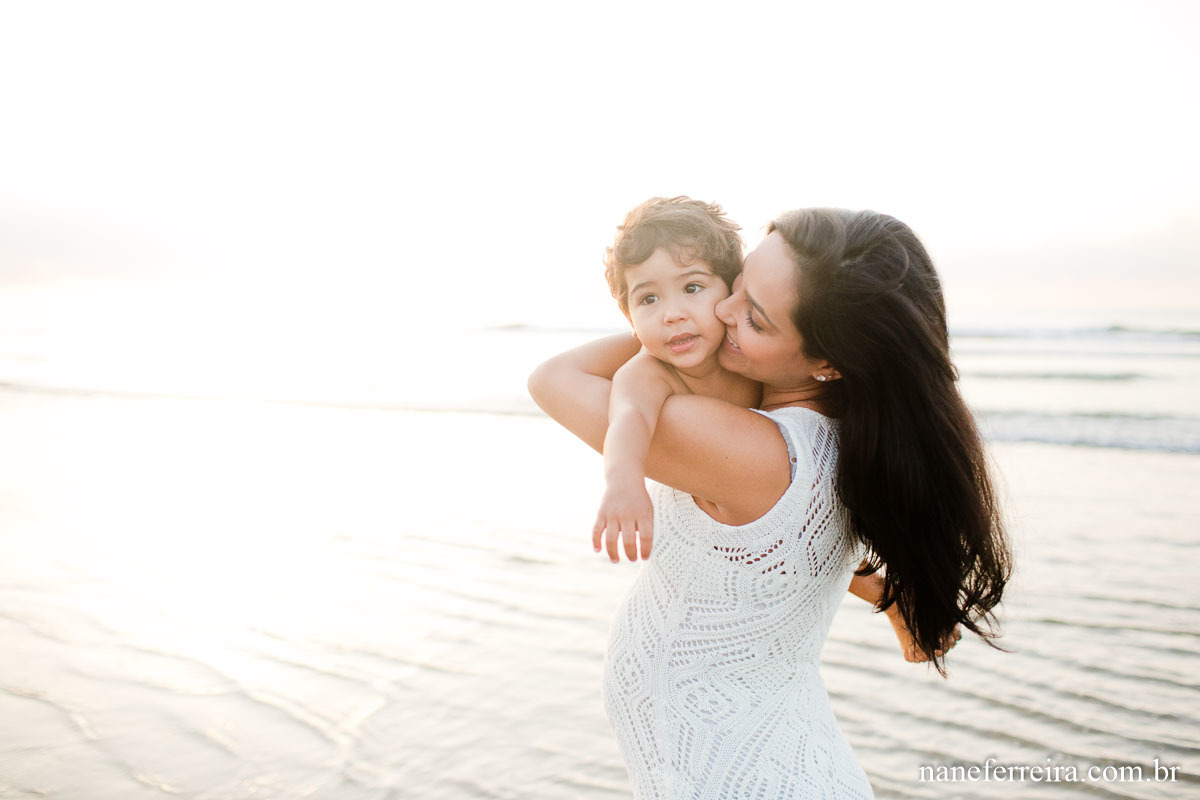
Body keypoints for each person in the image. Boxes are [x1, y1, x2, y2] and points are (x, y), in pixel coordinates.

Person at [528, 208, 1011, 798]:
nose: (725, 311)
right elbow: (782, 555)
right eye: (737, 285)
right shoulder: (838, 435)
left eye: (751, 316)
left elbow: (554, 378)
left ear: (827, 362)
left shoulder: (754, 451)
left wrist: (664, 317)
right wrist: (681, 311)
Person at [595, 196, 760, 563]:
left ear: (732, 290)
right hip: (698, 547)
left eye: (692, 288)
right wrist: (624, 483)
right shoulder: (649, 372)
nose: (672, 314)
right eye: (649, 298)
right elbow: (629, 418)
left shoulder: (755, 354)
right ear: (628, 316)